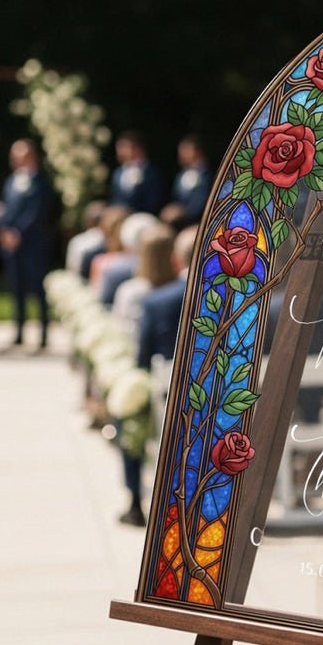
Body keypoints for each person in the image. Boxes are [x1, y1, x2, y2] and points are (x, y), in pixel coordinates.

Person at [120, 225, 196, 526]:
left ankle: (135, 502)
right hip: (221, 400)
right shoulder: (232, 297)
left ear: (179, 259)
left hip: (167, 403)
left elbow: (142, 360)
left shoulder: (156, 302)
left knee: (129, 412)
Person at [0, 138, 51, 350]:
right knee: (16, 288)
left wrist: (18, 233)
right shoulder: (11, 181)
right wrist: (4, 231)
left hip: (33, 243)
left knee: (37, 288)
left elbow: (36, 212)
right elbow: (6, 209)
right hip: (12, 245)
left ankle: (43, 333)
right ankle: (18, 332)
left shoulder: (41, 182)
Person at [109, 130, 164, 215]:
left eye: (123, 147)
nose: (120, 152)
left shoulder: (151, 173)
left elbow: (153, 201)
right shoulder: (117, 173)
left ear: (137, 148)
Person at [169, 134, 213, 225]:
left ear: (198, 151)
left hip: (199, 224)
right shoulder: (181, 174)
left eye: (186, 150)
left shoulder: (208, 176)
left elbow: (203, 202)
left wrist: (184, 212)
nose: (182, 154)